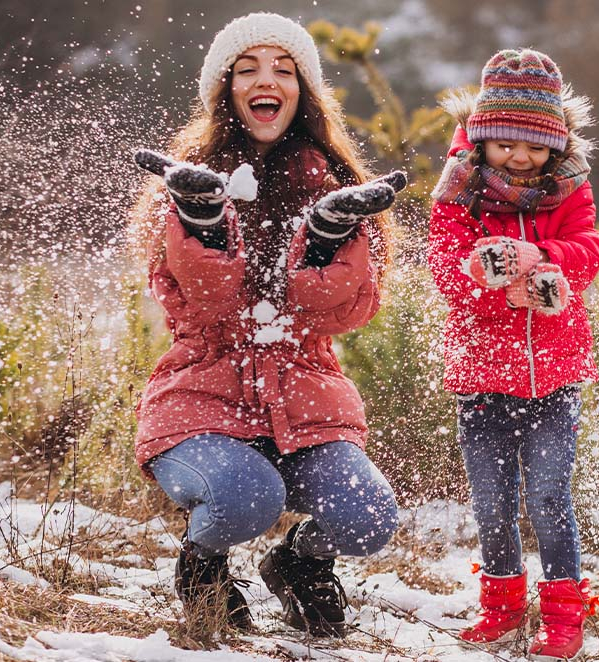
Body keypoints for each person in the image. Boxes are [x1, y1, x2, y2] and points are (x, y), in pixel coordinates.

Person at [128, 12, 404, 637]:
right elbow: (206, 304)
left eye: (284, 69)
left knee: (368, 516)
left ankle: (301, 565)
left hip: (305, 398)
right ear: (225, 90)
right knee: (247, 498)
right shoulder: (191, 181)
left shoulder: (333, 182)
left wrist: (323, 242)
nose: (266, 80)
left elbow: (349, 311)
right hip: (202, 400)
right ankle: (205, 564)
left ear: (304, 91)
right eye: (247, 68)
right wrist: (201, 222)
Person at [427, 49, 599, 661]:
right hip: (482, 375)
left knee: (550, 494)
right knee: (492, 498)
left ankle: (563, 612)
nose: (521, 158)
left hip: (555, 374)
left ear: (554, 144)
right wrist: (491, 277)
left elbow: (588, 246)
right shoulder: (458, 192)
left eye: (534, 146)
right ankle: (501, 607)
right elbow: (450, 273)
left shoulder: (568, 188)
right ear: (481, 137)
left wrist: (549, 267)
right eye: (506, 144)